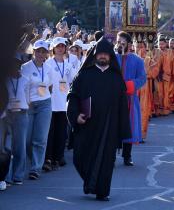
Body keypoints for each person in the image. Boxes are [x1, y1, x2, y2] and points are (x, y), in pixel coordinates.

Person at [67, 37, 131, 201]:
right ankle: (90, 182)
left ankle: (102, 191)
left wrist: (123, 130)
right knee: (79, 157)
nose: (103, 57)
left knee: (106, 160)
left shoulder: (116, 78)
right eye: (100, 54)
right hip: (87, 124)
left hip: (109, 126)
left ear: (110, 55)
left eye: (106, 54)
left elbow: (123, 106)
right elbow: (73, 97)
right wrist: (75, 116)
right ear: (95, 55)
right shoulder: (84, 75)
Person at [22, 40, 53, 180]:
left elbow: (50, 86)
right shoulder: (25, 67)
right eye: (38, 51)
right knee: (27, 140)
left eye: (43, 51)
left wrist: (45, 98)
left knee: (40, 139)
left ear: (47, 53)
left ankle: (35, 168)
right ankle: (34, 159)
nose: (40, 54)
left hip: (44, 104)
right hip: (28, 105)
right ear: (33, 52)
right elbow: (22, 87)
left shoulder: (48, 68)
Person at [115, 31, 146, 166]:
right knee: (113, 126)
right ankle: (111, 156)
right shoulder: (112, 58)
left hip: (130, 98)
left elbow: (142, 78)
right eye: (118, 42)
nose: (120, 45)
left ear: (128, 44)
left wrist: (130, 85)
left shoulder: (137, 60)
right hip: (114, 98)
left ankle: (127, 156)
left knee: (129, 125)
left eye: (123, 43)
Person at [44, 37, 75, 170]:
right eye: (58, 46)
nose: (60, 48)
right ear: (53, 49)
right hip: (50, 103)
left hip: (63, 104)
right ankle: (48, 158)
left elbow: (74, 80)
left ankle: (59, 156)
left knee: (62, 132)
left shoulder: (68, 65)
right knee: (50, 132)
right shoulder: (48, 64)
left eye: (62, 46)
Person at [0, 56, 28, 189]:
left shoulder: (25, 80)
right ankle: (7, 176)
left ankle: (18, 176)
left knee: (20, 146)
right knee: (7, 147)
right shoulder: (4, 80)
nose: (15, 67)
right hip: (7, 115)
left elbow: (29, 98)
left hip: (21, 114)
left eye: (17, 65)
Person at [135, 40, 159, 142]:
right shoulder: (129, 58)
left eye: (142, 47)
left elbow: (154, 73)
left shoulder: (149, 60)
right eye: (138, 46)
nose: (140, 49)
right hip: (132, 88)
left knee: (143, 111)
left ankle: (140, 135)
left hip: (144, 88)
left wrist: (145, 74)